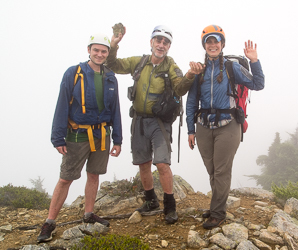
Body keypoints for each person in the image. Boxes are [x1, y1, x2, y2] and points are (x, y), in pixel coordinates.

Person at [106, 25, 200, 224]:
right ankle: (151, 201)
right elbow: (113, 64)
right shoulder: (139, 62)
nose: (161, 44)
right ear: (151, 42)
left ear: (169, 47)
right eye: (158, 40)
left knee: (162, 163)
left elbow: (180, 88)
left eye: (166, 42)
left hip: (160, 123)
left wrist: (190, 75)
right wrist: (113, 45)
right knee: (143, 162)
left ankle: (170, 206)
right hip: (139, 120)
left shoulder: (171, 66)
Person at [37, 33, 122, 243]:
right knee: (66, 178)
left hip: (102, 134)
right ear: (89, 50)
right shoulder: (73, 73)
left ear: (107, 53)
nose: (100, 54)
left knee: (94, 175)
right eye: (96, 50)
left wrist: (118, 139)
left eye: (104, 51)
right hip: (77, 134)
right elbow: (62, 104)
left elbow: (116, 109)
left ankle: (89, 214)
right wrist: (58, 137)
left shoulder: (111, 77)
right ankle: (49, 222)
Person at [186, 25, 265, 229]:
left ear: (222, 44)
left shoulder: (232, 67)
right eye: (209, 41)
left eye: (216, 41)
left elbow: (257, 83)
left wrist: (254, 61)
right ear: (204, 45)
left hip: (228, 125)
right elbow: (192, 102)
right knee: (212, 170)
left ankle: (217, 213)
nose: (213, 45)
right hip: (203, 125)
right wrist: (190, 130)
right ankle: (216, 207)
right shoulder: (199, 71)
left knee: (221, 170)